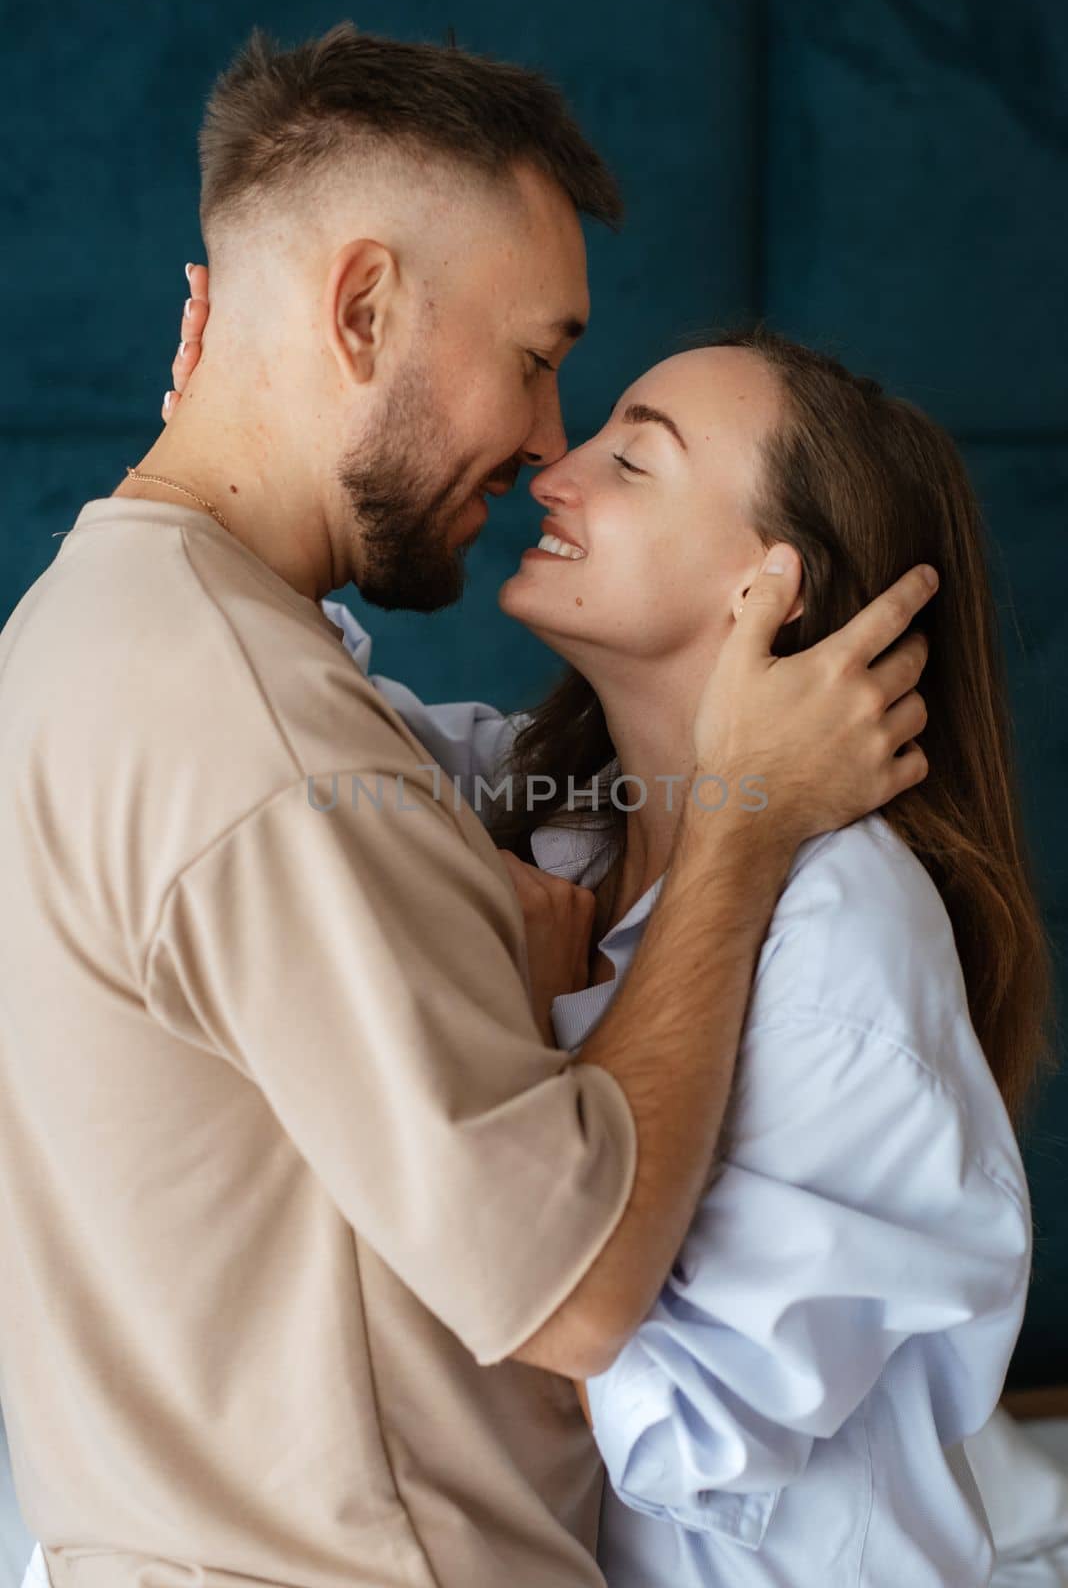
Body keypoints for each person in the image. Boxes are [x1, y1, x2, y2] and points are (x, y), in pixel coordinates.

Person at [1, 26, 936, 1588]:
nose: (550, 443)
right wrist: (746, 832)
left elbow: (454, 766)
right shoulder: (258, 733)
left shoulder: (87, 635)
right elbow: (573, 1299)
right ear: (361, 308)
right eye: (536, 357)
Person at [171, 283, 1049, 1585]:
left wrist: (535, 1046)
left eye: (632, 460)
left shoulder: (846, 947)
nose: (551, 470)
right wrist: (220, 452)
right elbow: (258, 715)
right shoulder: (545, 808)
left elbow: (667, 1416)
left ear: (767, 588)